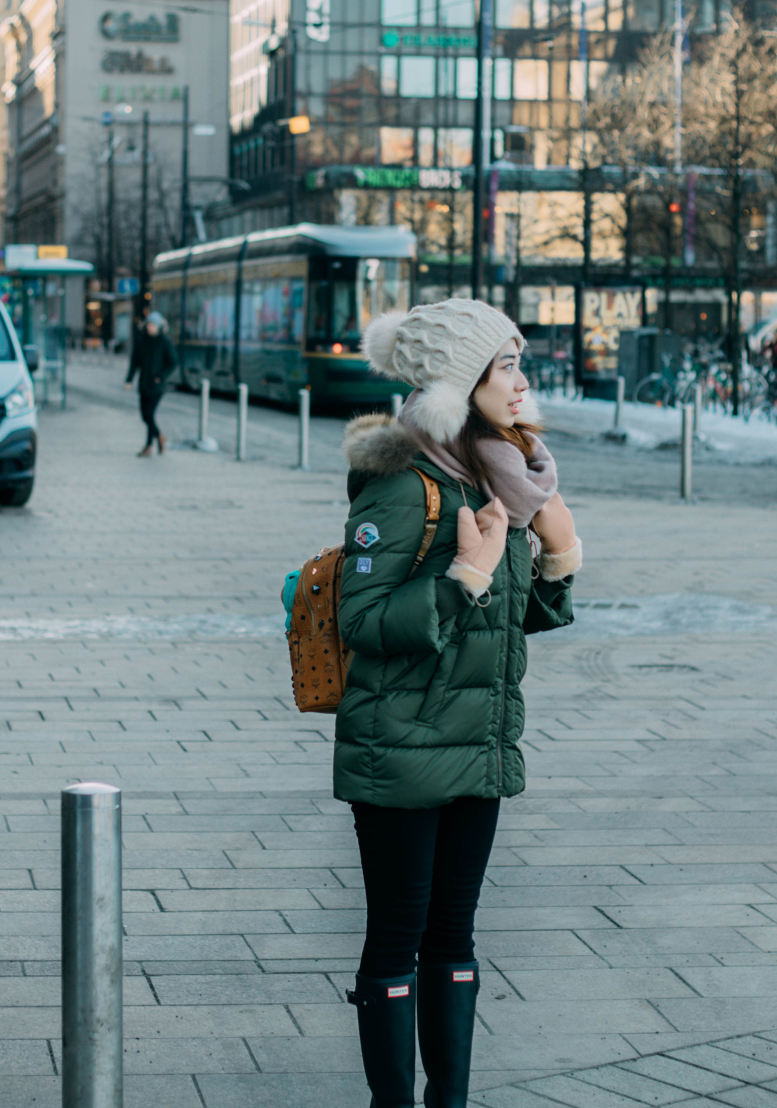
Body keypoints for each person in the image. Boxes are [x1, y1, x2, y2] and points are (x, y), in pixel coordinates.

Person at [335, 298, 583, 1107]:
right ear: (460, 380)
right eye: (505, 365)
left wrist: (555, 563)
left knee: (455, 936)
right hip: (401, 752)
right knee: (400, 938)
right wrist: (464, 574)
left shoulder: (494, 470)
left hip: (477, 748)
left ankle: (450, 1099)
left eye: (518, 363)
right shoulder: (402, 482)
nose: (521, 383)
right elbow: (363, 621)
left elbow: (505, 626)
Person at [125, 311, 176, 456]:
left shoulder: (164, 341)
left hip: (157, 385)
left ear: (159, 326)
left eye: (153, 325)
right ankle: (159, 436)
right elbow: (134, 362)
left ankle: (148, 446)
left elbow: (173, 362)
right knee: (145, 416)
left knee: (149, 414)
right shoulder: (141, 340)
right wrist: (129, 380)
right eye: (149, 324)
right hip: (144, 383)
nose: (150, 327)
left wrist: (161, 376)